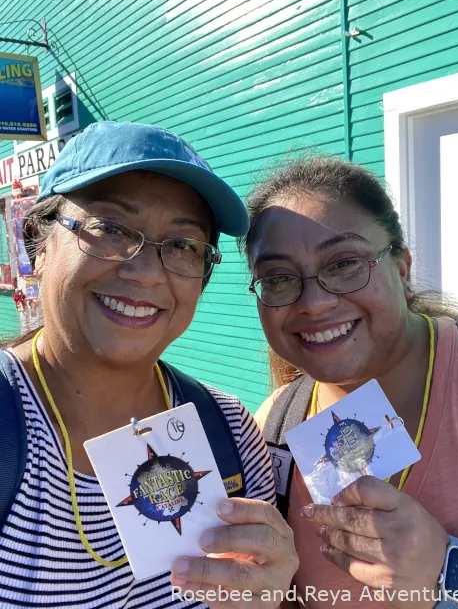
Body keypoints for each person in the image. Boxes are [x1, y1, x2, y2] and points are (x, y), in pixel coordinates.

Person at [0, 121, 298, 608]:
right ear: (37, 241)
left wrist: (272, 596)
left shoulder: (229, 430)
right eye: (111, 228)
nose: (145, 271)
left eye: (182, 245)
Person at [241, 156, 458, 608]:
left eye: (345, 263)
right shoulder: (273, 427)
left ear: (403, 267)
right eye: (278, 278)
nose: (313, 302)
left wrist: (450, 570)